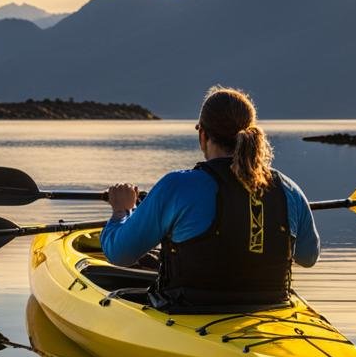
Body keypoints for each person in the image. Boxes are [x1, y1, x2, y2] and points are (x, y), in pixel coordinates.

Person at [101, 86, 319, 306]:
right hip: (272, 306)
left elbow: (119, 254)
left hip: (189, 310)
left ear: (202, 135)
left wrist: (122, 211)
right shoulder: (289, 189)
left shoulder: (177, 186)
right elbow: (308, 257)